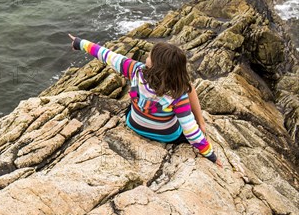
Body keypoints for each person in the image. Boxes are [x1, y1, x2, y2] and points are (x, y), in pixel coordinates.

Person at [68, 33, 223, 168]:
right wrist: (211, 155)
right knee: (185, 99)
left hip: (134, 124)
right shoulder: (179, 93)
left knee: (138, 100)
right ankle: (200, 120)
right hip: (168, 136)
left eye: (150, 57)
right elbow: (191, 132)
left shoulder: (135, 69)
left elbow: (107, 55)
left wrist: (79, 43)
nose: (146, 57)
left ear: (156, 66)